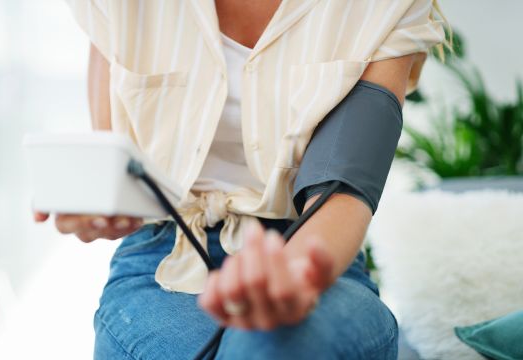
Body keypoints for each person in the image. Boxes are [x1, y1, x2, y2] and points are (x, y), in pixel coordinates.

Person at [34, 0, 447, 358]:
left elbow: (342, 186)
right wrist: (101, 204)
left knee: (270, 345)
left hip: (316, 251)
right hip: (163, 259)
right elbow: (117, 165)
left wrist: (293, 272)